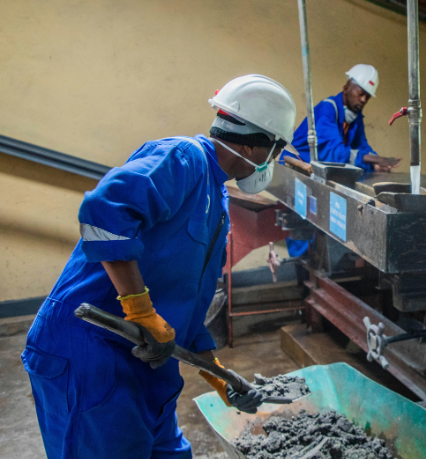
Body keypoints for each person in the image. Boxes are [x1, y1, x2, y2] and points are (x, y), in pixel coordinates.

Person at [21, 74, 297, 459]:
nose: (272, 161)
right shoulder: (183, 159)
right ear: (256, 144)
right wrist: (140, 311)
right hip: (91, 353)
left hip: (146, 362)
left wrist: (219, 377)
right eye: (276, 150)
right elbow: (103, 213)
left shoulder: (215, 196)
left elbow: (185, 303)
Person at [281, 64, 401, 257]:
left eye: (367, 97)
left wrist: (376, 163)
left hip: (319, 173)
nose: (363, 100)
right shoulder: (328, 109)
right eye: (360, 94)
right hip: (297, 169)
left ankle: (322, 258)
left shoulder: (355, 117)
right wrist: (378, 159)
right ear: (346, 88)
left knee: (324, 222)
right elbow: (336, 153)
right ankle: (302, 263)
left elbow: (363, 146)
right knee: (304, 223)